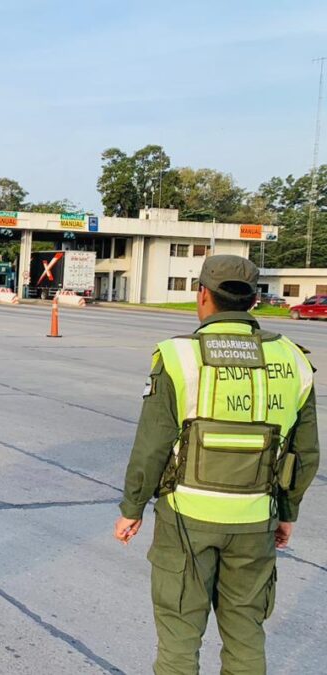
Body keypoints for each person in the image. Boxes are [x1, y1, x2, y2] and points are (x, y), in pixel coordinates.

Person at [113, 255, 319, 675]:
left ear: (202, 294)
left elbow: (152, 445)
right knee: (246, 636)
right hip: (256, 519)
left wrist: (132, 509)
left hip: (186, 519)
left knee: (179, 639)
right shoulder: (293, 359)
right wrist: (287, 512)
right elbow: (306, 451)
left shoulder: (178, 356)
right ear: (254, 301)